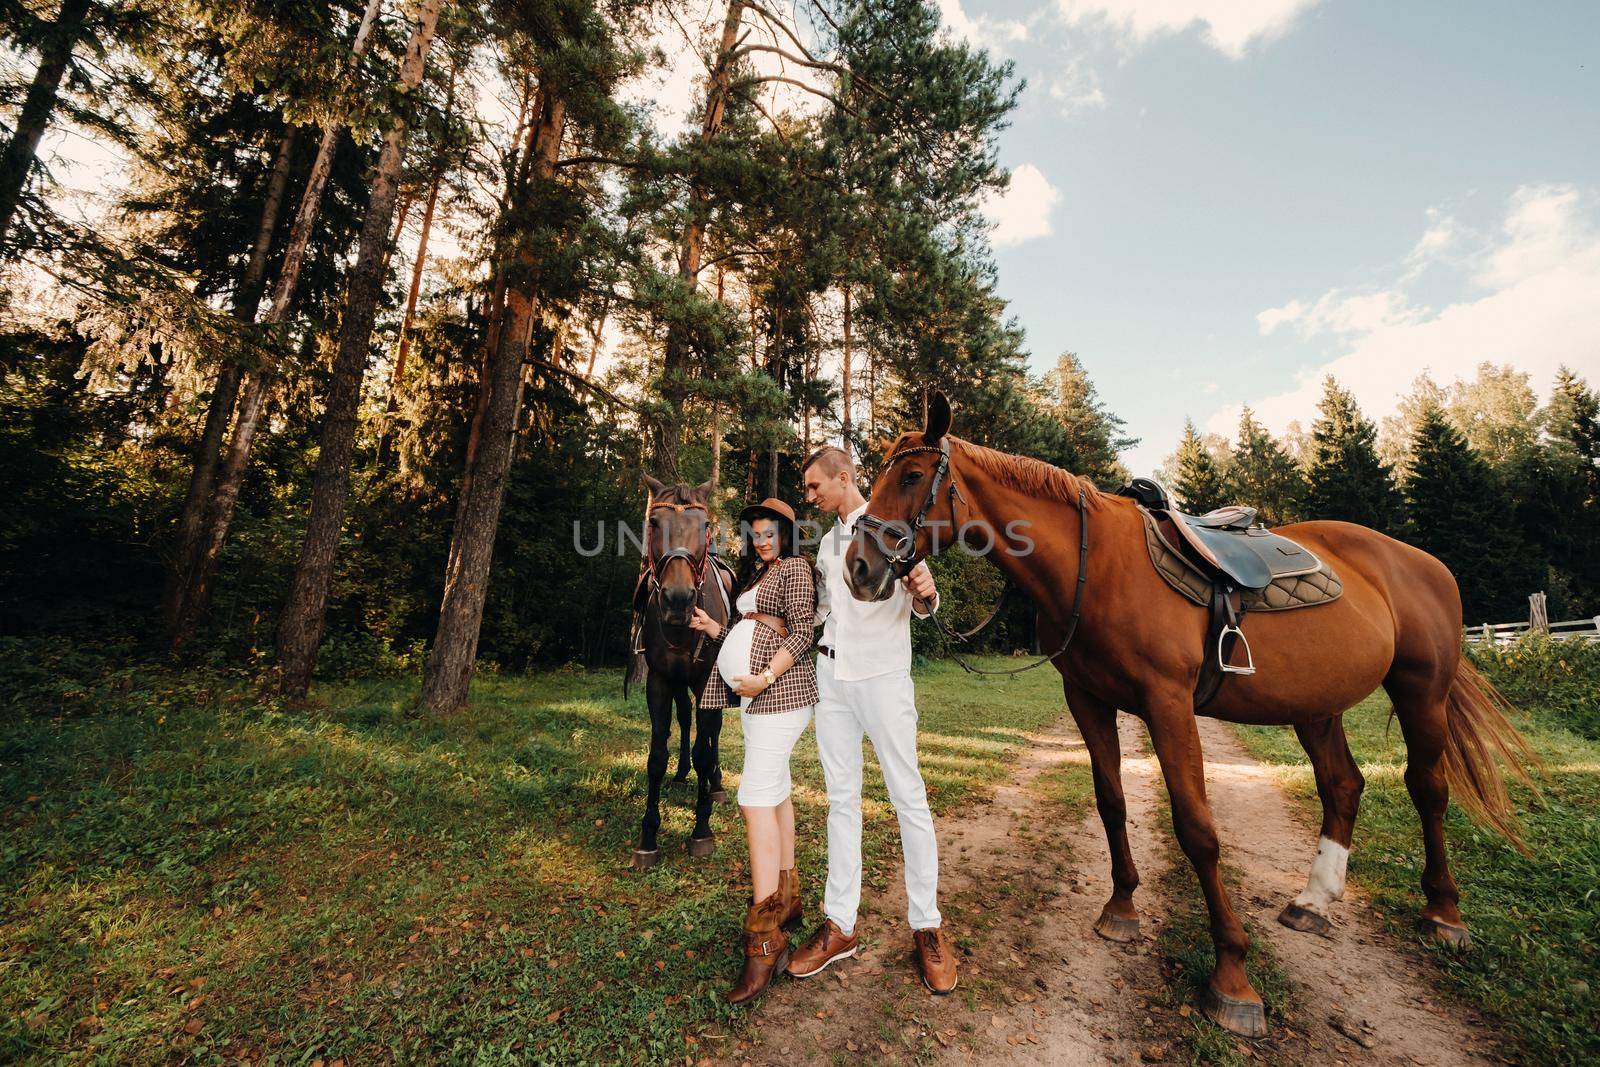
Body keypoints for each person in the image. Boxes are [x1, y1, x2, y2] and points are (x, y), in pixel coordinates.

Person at [787, 445, 958, 994]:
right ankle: (840, 925)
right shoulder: (826, 544)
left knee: (908, 797)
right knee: (842, 801)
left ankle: (926, 925)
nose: (809, 496)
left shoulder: (890, 525)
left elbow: (925, 600)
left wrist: (927, 596)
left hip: (884, 680)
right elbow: (816, 611)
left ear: (843, 478)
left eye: (815, 486)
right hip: (831, 681)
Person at [688, 497, 817, 1005]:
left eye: (770, 533)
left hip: (780, 696)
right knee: (777, 793)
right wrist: (717, 632)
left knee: (752, 799)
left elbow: (803, 631)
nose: (762, 541)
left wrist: (762, 677)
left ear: (786, 533)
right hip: (755, 699)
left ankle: (764, 939)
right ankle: (787, 900)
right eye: (755, 534)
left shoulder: (797, 570)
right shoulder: (758, 578)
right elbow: (753, 631)